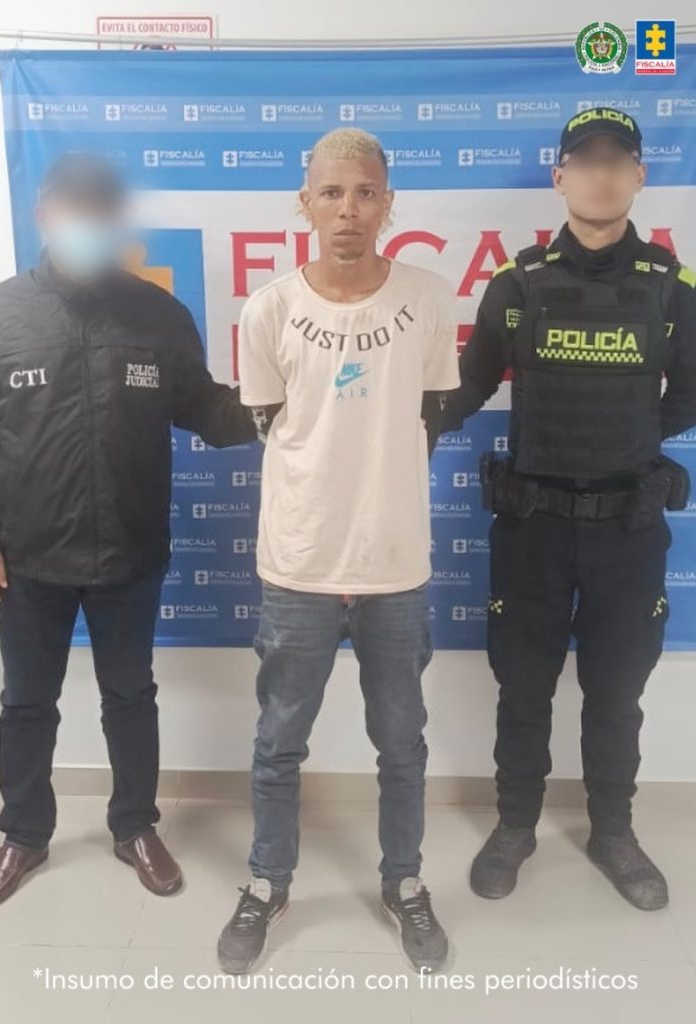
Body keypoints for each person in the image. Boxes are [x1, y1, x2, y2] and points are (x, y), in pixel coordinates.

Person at [216, 127, 459, 974]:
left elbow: (427, 416)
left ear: (387, 203)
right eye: (331, 192)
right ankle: (266, 881)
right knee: (279, 741)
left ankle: (403, 882)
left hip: (395, 563)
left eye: (364, 192)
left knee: (402, 744)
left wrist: (373, 496)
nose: (348, 209)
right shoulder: (269, 309)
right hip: (299, 565)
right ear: (305, 204)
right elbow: (271, 425)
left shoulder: (429, 300)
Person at [0, 152, 256, 907]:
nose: (88, 224)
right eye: (74, 211)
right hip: (29, 555)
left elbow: (207, 410)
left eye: (101, 212)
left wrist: (279, 397)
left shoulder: (158, 315)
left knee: (130, 694)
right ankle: (23, 833)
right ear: (45, 216)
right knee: (26, 701)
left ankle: (134, 825)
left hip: (131, 550)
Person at [442, 108, 696, 911]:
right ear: (559, 178)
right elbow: (466, 388)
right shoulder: (515, 284)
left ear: (638, 177)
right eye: (585, 161)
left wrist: (633, 435)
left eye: (616, 161)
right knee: (522, 691)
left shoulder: (672, 287)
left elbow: (691, 389)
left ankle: (612, 832)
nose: (600, 174)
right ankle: (514, 825)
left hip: (627, 530)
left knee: (616, 696)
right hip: (532, 529)